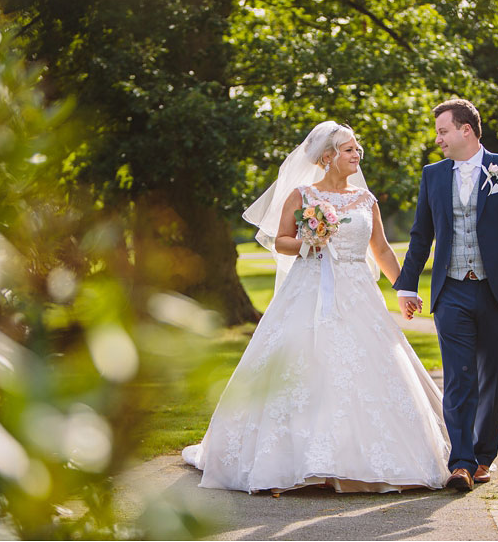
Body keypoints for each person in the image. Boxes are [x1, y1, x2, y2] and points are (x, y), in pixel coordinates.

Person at [182, 121, 450, 493]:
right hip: (309, 289)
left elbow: (382, 250)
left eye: (358, 149)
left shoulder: (365, 201)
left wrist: (404, 288)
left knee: (367, 367)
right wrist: (310, 239)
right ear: (328, 157)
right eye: (349, 150)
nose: (358, 155)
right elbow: (281, 242)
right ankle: (299, 459)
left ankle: (365, 460)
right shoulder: (302, 195)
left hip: (358, 293)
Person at [394, 99, 498, 491]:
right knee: (459, 376)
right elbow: (421, 235)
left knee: (491, 374)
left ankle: (482, 457)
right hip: (452, 290)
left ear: (466, 130)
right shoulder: (433, 175)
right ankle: (460, 462)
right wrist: (407, 285)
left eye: (443, 131)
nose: (438, 139)